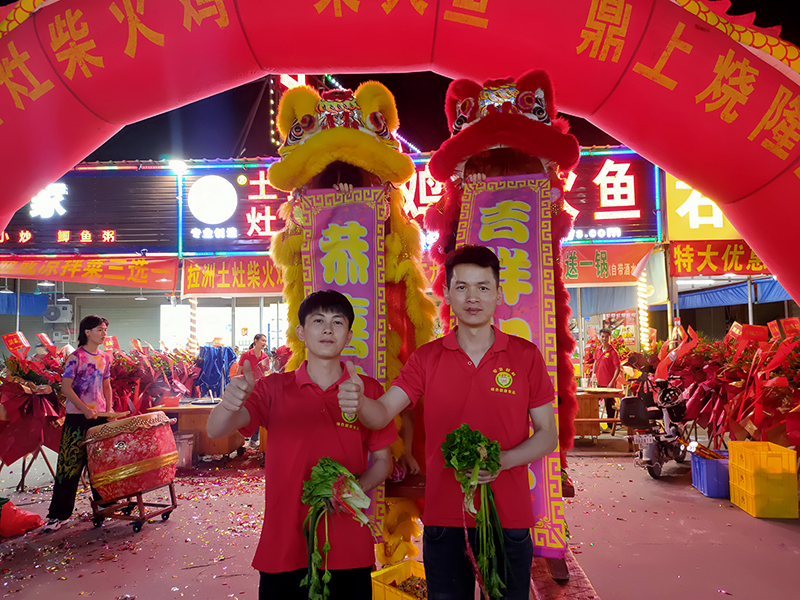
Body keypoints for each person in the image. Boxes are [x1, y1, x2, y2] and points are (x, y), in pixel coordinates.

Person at [339, 245, 558, 600]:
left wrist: (502, 460)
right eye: (462, 287)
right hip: (445, 519)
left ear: (498, 293)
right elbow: (380, 414)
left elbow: (547, 435)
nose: (472, 297)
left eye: (483, 287)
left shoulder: (525, 356)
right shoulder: (426, 358)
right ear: (447, 294)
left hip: (508, 517)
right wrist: (358, 401)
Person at [207, 290, 395, 600]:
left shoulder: (366, 391)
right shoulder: (273, 388)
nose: (327, 329)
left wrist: (353, 489)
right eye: (318, 321)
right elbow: (215, 430)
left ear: (349, 335)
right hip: (284, 545)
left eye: (337, 322)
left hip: (349, 546)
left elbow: (384, 461)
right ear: (301, 332)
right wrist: (230, 402)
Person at [44, 315, 112, 532]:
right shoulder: (76, 357)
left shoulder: (105, 357)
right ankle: (58, 515)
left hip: (99, 417)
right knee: (69, 466)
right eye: (100, 329)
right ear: (87, 333)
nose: (104, 333)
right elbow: (66, 388)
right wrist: (84, 408)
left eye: (104, 329)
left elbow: (107, 385)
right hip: (77, 418)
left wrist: (109, 409)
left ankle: (105, 505)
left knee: (100, 464)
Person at [238, 334, 270, 449]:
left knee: (259, 414)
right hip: (248, 389)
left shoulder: (265, 357)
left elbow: (267, 373)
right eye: (262, 340)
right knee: (247, 413)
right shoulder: (246, 355)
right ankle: (242, 439)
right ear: (255, 341)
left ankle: (255, 440)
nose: (264, 343)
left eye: (265, 341)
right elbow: (239, 372)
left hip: (260, 390)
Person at [593, 328, 622, 420]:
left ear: (610, 338)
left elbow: (618, 368)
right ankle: (594, 423)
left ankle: (610, 424)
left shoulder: (613, 352)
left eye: (606, 337)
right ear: (600, 337)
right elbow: (595, 362)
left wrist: (612, 382)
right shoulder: (598, 349)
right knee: (593, 402)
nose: (604, 339)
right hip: (598, 382)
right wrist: (593, 374)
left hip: (608, 384)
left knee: (609, 405)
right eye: (602, 336)